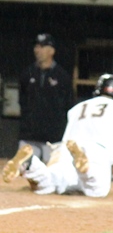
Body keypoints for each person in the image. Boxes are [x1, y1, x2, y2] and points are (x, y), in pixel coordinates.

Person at [2, 74, 113, 199]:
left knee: (49, 184)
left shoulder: (77, 108)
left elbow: (65, 139)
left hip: (65, 153)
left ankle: (31, 165)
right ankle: (84, 167)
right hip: (96, 154)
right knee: (97, 189)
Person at [18, 33, 74, 164]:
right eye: (37, 46)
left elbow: (68, 104)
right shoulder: (27, 74)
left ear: (52, 51)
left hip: (53, 138)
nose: (38, 50)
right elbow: (22, 101)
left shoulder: (62, 76)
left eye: (42, 47)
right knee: (26, 173)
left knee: (51, 175)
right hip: (30, 136)